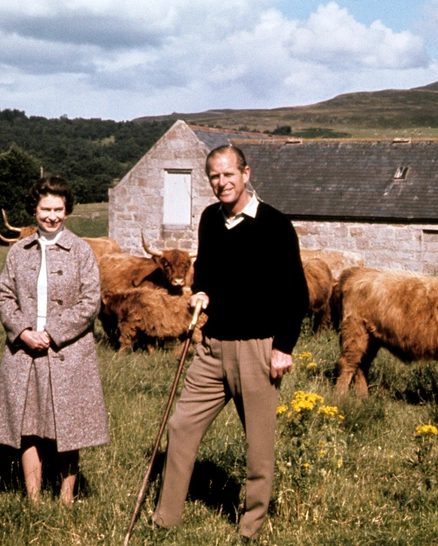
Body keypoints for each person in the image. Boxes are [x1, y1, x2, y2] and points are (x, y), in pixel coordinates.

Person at [152, 145, 309, 540]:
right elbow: (205, 268)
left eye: (228, 174)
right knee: (182, 425)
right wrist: (201, 291)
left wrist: (283, 347)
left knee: (258, 448)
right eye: (214, 177)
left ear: (246, 173)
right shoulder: (209, 219)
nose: (221, 183)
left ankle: (250, 529)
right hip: (211, 346)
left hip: (257, 348)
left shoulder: (274, 225)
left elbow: (297, 294)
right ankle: (165, 520)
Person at [0, 176, 109, 506]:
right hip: (24, 353)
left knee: (68, 427)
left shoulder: (81, 251)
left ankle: (66, 498)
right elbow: (4, 297)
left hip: (68, 353)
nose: (52, 216)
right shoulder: (18, 252)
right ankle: (32, 500)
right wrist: (23, 332)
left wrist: (53, 333)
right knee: (27, 428)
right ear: (35, 209)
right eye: (46, 209)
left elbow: (90, 302)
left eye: (59, 209)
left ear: (67, 210)